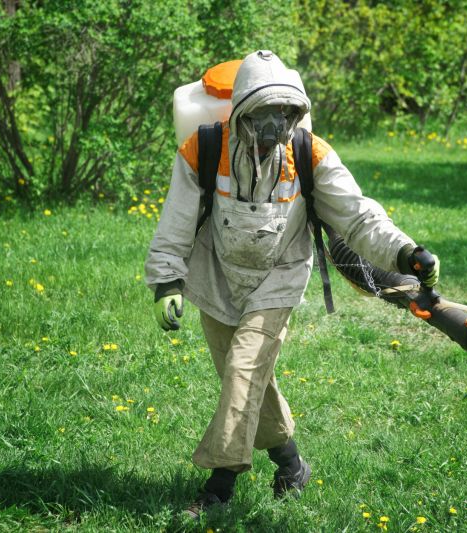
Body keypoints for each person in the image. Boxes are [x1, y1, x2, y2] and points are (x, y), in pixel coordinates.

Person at [144, 50, 438, 518]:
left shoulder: (309, 152)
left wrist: (406, 251)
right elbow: (176, 222)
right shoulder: (201, 149)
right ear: (241, 111)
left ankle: (218, 489)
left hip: (279, 279)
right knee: (247, 381)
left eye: (286, 115)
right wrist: (166, 282)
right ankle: (291, 465)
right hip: (217, 278)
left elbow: (358, 217)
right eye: (264, 115)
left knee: (243, 371)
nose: (275, 128)